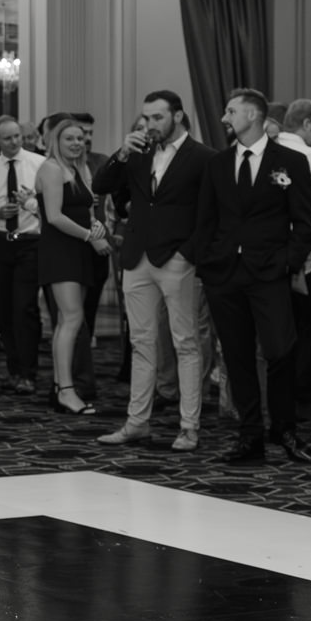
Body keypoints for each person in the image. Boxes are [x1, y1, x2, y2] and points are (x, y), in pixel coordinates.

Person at [183, 88, 311, 465]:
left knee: (280, 351)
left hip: (270, 273)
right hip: (224, 274)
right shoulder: (217, 163)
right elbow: (205, 219)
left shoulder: (290, 161)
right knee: (237, 357)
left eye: (231, 111)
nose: (224, 118)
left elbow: (306, 221)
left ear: (253, 115)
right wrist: (208, 263)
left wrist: (288, 263)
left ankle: (285, 430)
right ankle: (249, 436)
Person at [94, 90, 214, 451]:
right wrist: (122, 153)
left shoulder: (203, 157)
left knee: (185, 343)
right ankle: (137, 423)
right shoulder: (138, 153)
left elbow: (210, 213)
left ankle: (189, 427)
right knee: (141, 343)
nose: (149, 124)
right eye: (146, 118)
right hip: (137, 257)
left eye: (157, 117)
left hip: (178, 259)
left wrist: (188, 253)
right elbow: (101, 186)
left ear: (177, 116)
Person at [275, 99, 311, 456]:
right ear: (309, 124)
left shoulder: (268, 153)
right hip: (309, 254)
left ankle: (278, 399)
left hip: (272, 255)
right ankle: (303, 397)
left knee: (281, 329)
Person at [36, 117, 105, 415]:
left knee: (68, 321)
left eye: (80, 138)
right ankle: (66, 390)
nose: (77, 143)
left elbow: (85, 210)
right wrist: (90, 236)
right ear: (56, 141)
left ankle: (59, 387)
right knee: (72, 319)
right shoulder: (51, 168)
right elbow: (54, 216)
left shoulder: (78, 168)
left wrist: (96, 226)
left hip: (77, 249)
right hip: (60, 251)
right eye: (70, 138)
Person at [0, 115, 42, 395]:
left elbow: (51, 204)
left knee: (25, 308)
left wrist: (32, 202)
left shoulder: (39, 164)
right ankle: (14, 370)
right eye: (7, 138)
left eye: (17, 136)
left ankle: (28, 372)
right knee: (3, 310)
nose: (14, 141)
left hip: (30, 243)